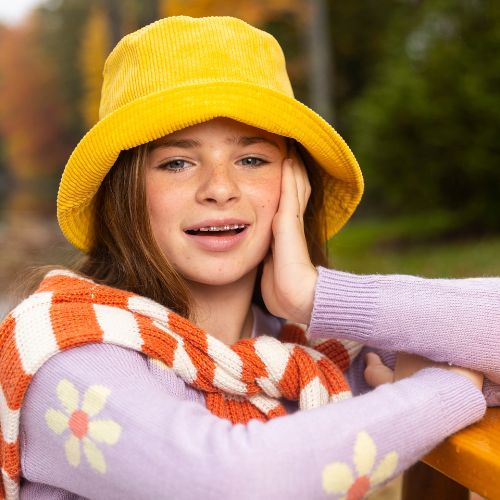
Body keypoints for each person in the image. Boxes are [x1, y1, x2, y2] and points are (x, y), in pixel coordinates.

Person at [0, 15, 499, 500]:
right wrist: (446, 392)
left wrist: (313, 294)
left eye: (252, 159)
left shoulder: (310, 356)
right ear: (124, 194)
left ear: (295, 186)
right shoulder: (66, 353)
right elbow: (233, 483)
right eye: (177, 162)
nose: (219, 188)